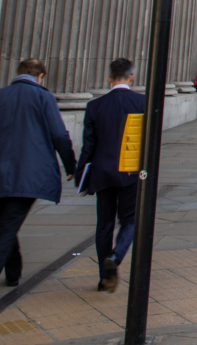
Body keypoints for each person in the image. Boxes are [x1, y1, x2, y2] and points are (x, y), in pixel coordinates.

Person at [0, 59, 76, 309]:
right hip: (29, 173)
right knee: (8, 227)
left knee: (7, 222)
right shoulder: (44, 98)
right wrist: (72, 166)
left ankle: (13, 271)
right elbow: (59, 135)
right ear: (40, 76)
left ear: (17, 74)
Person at [75, 59, 143, 292]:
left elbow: (88, 146)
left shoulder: (95, 106)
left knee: (104, 224)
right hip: (130, 171)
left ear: (109, 78)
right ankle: (116, 256)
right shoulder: (142, 102)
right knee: (130, 220)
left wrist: (80, 176)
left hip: (101, 172)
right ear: (132, 76)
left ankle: (104, 278)